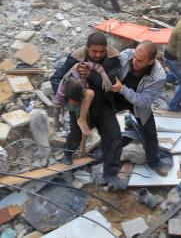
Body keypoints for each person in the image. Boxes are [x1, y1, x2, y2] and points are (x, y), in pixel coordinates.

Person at [50, 32, 125, 189]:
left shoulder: (112, 60)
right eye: (94, 51)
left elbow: (110, 85)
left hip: (103, 105)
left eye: (101, 51)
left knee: (114, 136)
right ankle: (68, 154)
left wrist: (91, 75)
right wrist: (68, 94)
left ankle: (111, 173)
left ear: (106, 49)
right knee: (75, 136)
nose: (98, 55)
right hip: (79, 107)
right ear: (87, 48)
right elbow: (56, 78)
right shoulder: (75, 59)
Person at [111, 41, 169, 177]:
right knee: (116, 130)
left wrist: (122, 89)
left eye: (140, 61)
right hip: (117, 100)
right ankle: (116, 156)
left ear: (150, 61)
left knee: (149, 134)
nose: (134, 61)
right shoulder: (127, 55)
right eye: (134, 56)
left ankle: (154, 162)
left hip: (138, 106)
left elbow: (143, 101)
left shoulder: (158, 77)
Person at [52, 61, 113, 137]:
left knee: (90, 94)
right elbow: (57, 108)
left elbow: (97, 66)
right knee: (77, 127)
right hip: (70, 102)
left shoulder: (79, 67)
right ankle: (80, 121)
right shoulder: (61, 92)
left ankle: (82, 120)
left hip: (80, 96)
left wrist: (104, 76)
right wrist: (56, 122)